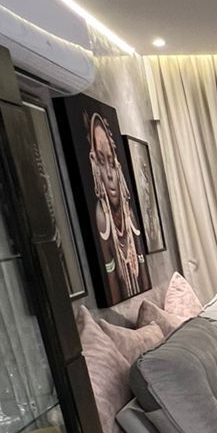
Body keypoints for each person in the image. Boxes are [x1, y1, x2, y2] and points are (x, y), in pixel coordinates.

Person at [87, 112, 145, 300]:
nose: (110, 175)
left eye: (111, 162)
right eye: (101, 162)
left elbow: (142, 269)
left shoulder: (129, 215)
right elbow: (111, 281)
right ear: (95, 166)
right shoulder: (102, 218)